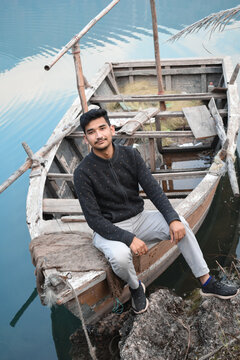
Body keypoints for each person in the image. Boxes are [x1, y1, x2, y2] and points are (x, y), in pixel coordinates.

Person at [74, 108, 238, 314]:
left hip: (140, 218)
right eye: (91, 132)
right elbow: (94, 219)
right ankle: (136, 287)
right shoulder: (82, 173)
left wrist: (172, 218)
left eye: (102, 128)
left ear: (112, 130)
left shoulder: (130, 155)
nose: (98, 135)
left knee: (182, 226)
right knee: (120, 256)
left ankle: (207, 282)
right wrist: (128, 238)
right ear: (85, 138)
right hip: (109, 229)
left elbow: (153, 190)